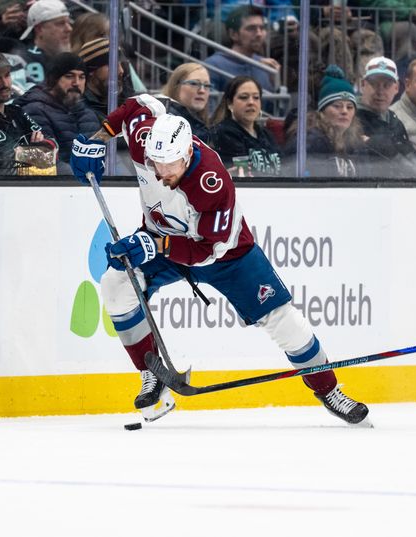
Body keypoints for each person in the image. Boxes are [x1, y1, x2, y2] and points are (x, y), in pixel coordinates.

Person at [68, 94, 369, 426]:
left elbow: (209, 250)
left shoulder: (212, 183)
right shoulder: (148, 143)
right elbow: (139, 105)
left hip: (227, 256)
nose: (159, 172)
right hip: (162, 242)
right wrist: (95, 143)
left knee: (286, 322)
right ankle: (152, 375)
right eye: (155, 162)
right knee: (116, 284)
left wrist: (156, 244)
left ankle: (329, 391)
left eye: (169, 164)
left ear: (186, 154)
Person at [0, 48, 56, 174]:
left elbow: (53, 145)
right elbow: (8, 167)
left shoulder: (16, 111)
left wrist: (35, 150)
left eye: (7, 75)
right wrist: (37, 150)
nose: (5, 83)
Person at [16, 52, 100, 168]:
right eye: (69, 76)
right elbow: (49, 161)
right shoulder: (35, 111)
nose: (77, 83)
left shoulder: (88, 114)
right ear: (53, 79)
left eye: (82, 77)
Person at [354, 56, 416, 178]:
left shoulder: (394, 121)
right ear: (363, 85)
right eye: (374, 84)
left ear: (396, 88)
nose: (380, 91)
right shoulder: (350, 119)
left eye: (386, 85)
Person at [283, 65, 367, 177]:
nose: (344, 111)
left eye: (350, 107)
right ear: (322, 110)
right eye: (337, 106)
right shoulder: (311, 141)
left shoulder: (355, 142)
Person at [210, 75, 282, 176]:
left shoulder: (267, 134)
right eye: (244, 97)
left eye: (256, 97)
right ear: (230, 103)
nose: (251, 102)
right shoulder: (223, 133)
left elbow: (284, 167)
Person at [203, 5, 280, 92]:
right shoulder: (213, 65)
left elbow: (272, 104)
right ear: (233, 34)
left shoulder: (265, 66)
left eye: (262, 28)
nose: (259, 34)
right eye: (251, 29)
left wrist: (275, 82)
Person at [17, 0, 73, 86]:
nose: (69, 29)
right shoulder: (25, 60)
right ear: (39, 29)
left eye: (68, 22)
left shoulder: (71, 57)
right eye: (60, 24)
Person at [157, 62, 214, 147]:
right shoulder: (164, 119)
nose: (202, 90)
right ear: (176, 85)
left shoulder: (201, 121)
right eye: (194, 83)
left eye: (207, 85)